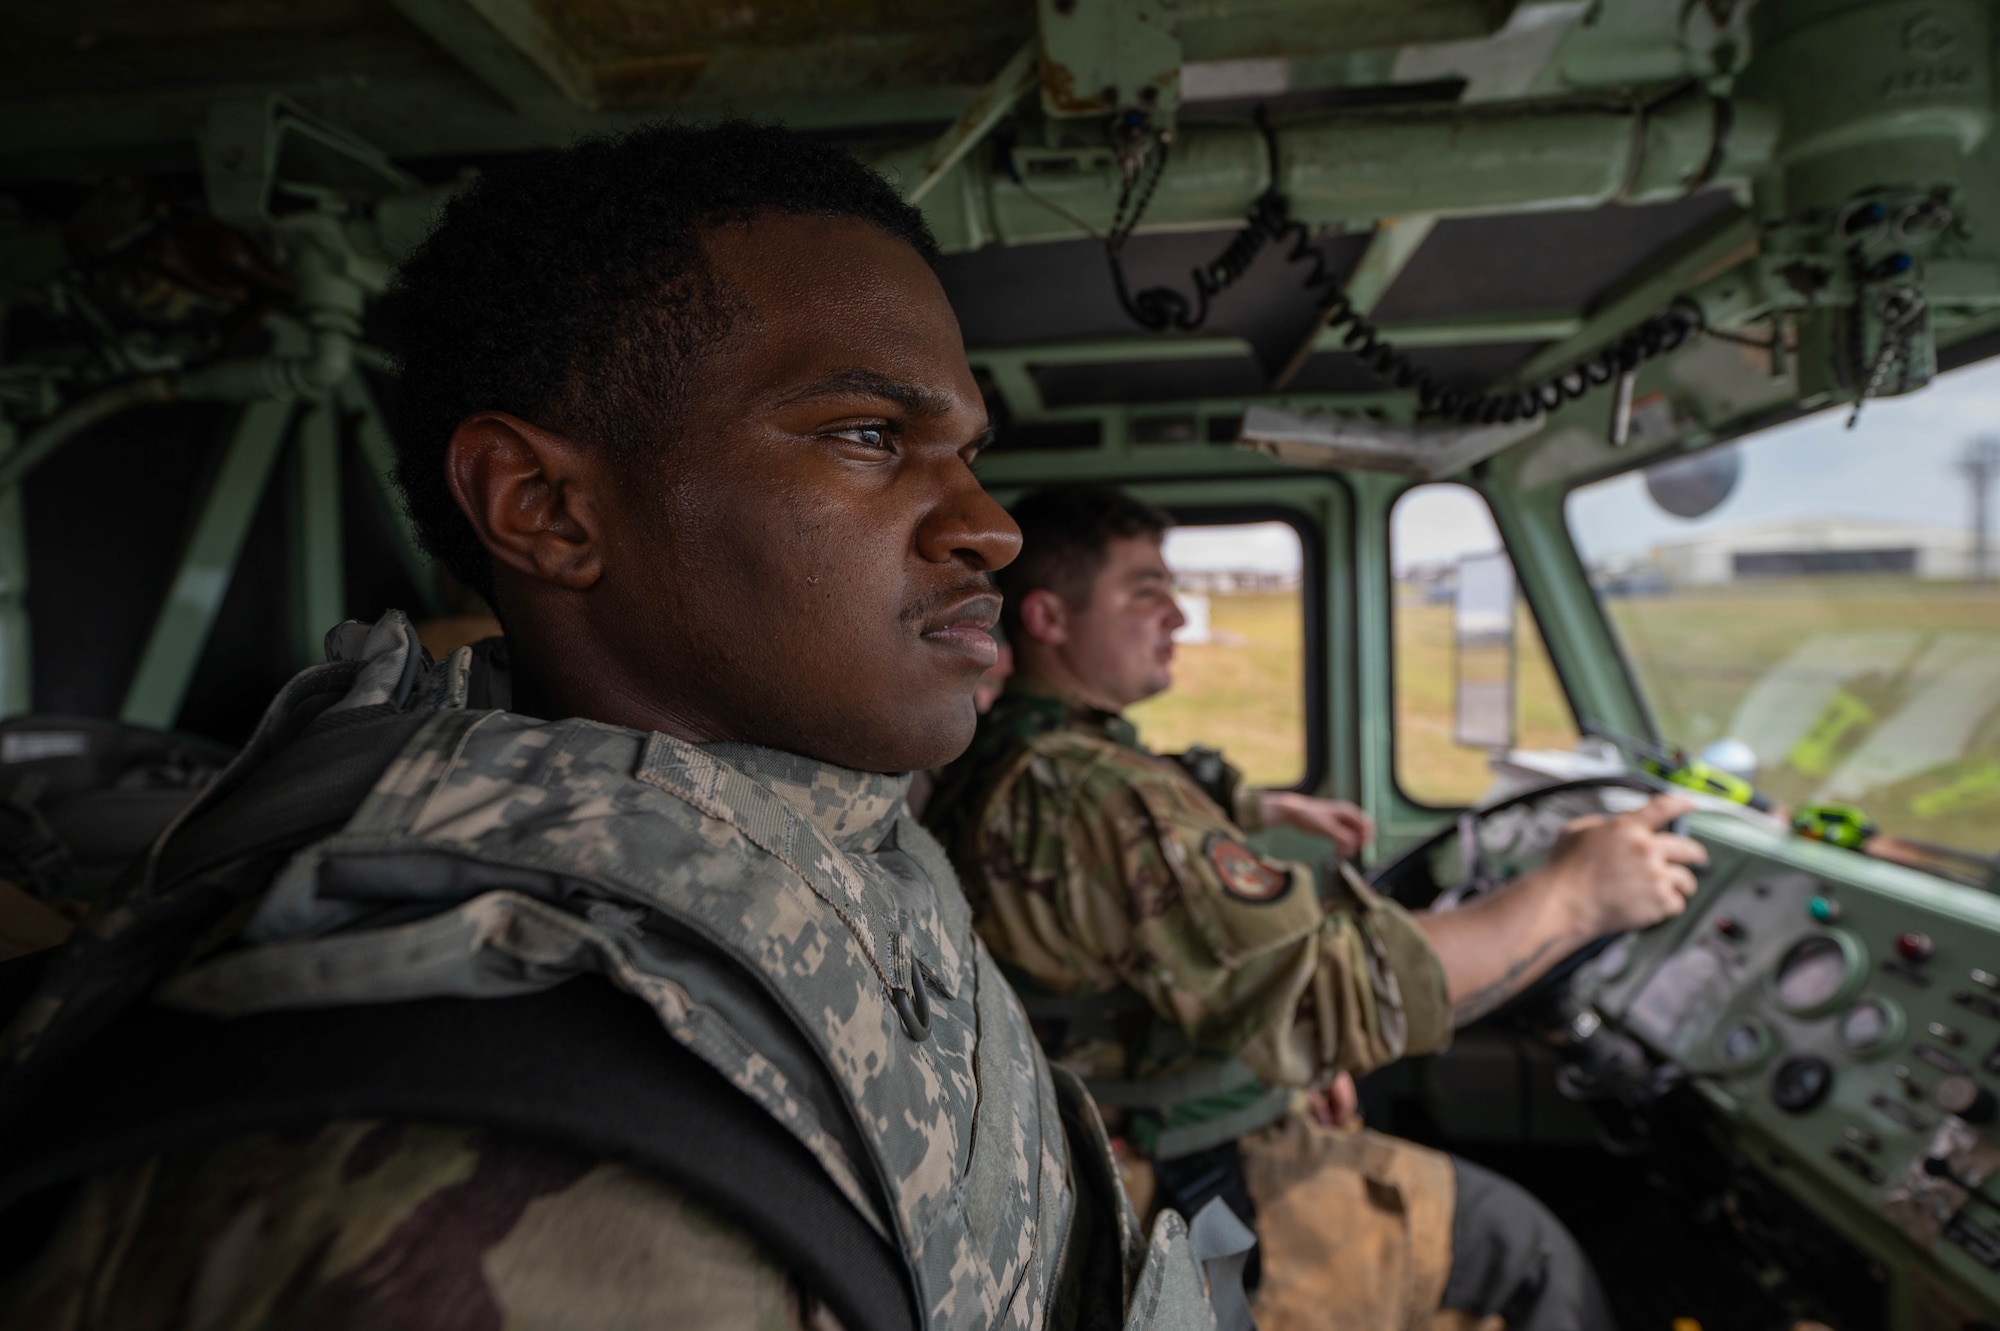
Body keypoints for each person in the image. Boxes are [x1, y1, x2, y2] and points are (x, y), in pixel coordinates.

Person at [0, 128, 1224, 1331]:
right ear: (545, 509)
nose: (990, 526)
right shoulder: (479, 1168)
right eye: (867, 434)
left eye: (965, 454)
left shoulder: (836, 850)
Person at [925, 485, 1711, 1331]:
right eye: (1145, 589)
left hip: (1125, 1116)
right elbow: (1334, 993)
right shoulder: (1101, 794)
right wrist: (1575, 893)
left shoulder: (1016, 751)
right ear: (1047, 618)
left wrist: (1265, 810)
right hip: (1164, 1176)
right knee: (1519, 1254)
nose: (1179, 617)